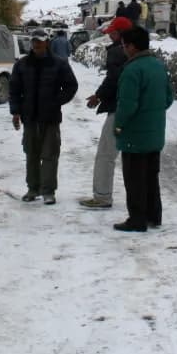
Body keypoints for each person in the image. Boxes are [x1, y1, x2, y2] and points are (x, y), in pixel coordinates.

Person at [112, 26, 174, 232]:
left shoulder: (132, 70)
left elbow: (127, 105)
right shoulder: (158, 66)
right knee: (150, 176)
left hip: (134, 136)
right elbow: (168, 98)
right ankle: (154, 215)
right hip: (154, 134)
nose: (123, 50)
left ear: (131, 47)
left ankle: (137, 219)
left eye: (124, 46)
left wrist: (118, 125)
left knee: (134, 179)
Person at [9, 28, 79, 205]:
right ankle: (33, 189)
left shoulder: (59, 63)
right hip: (29, 117)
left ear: (47, 42)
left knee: (49, 155)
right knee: (31, 153)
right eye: (34, 42)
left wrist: (57, 101)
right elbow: (14, 90)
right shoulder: (22, 64)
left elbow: (71, 86)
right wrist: (16, 111)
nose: (37, 45)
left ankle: (48, 191)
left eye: (40, 41)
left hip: (51, 117)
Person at [79, 16, 132, 209]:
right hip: (136, 110)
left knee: (105, 154)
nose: (109, 37)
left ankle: (102, 196)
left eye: (112, 34)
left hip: (118, 109)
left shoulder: (117, 53)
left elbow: (113, 80)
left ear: (120, 34)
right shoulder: (142, 52)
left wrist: (98, 96)